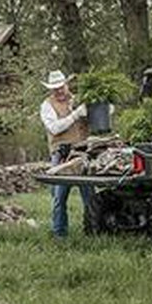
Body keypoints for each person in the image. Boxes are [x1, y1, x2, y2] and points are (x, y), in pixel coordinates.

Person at [40, 69, 92, 237]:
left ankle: (92, 229)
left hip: (83, 153)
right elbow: (54, 128)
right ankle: (59, 234)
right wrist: (75, 115)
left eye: (61, 87)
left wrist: (97, 108)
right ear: (50, 90)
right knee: (59, 197)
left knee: (90, 196)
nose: (59, 91)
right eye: (55, 89)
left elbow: (107, 111)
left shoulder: (79, 100)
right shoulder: (47, 105)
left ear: (66, 85)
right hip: (61, 155)